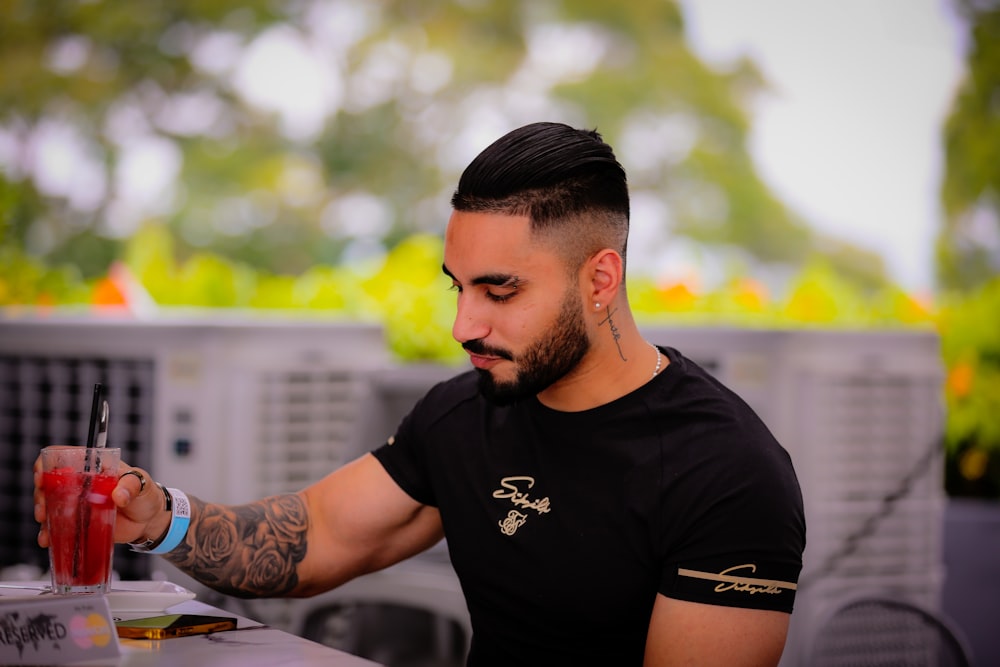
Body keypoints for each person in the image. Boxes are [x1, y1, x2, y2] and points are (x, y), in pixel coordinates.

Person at [35, 122, 805, 666]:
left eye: (499, 291)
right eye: (459, 287)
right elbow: (317, 534)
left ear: (600, 279)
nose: (464, 324)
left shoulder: (728, 474)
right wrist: (154, 512)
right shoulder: (466, 412)